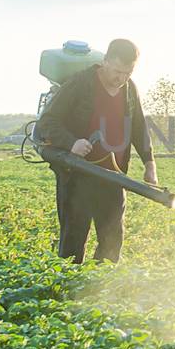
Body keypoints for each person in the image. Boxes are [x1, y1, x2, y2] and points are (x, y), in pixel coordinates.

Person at [35, 37, 159, 264]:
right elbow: (47, 123)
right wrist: (72, 143)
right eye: (118, 72)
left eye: (128, 73)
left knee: (112, 245)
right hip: (78, 176)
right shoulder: (80, 84)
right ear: (105, 61)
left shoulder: (129, 89)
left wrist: (149, 163)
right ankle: (69, 292)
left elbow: (139, 127)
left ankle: (101, 293)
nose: (121, 79)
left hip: (113, 176)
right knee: (72, 246)